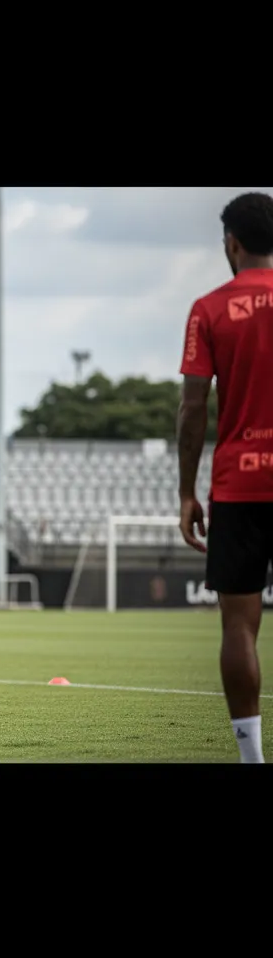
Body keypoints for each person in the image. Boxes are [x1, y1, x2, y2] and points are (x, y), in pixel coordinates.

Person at [178, 190, 273, 764]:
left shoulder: (210, 308)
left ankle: (252, 758)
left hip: (239, 485)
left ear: (231, 244)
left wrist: (187, 490)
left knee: (239, 627)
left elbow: (193, 410)